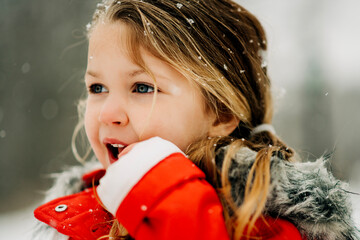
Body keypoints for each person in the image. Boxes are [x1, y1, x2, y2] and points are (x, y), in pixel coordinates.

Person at [32, 0, 359, 239]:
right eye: (98, 87)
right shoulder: (75, 216)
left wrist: (175, 208)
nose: (107, 113)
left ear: (221, 112)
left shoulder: (270, 227)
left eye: (143, 87)